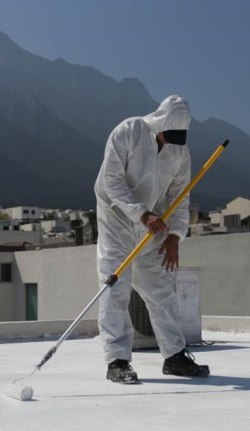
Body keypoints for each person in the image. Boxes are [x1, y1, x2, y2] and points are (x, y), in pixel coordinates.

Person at [93, 95, 209, 384]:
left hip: (153, 227)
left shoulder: (180, 152)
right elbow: (112, 182)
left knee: (161, 289)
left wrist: (175, 237)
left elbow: (180, 198)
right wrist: (140, 214)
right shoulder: (128, 131)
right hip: (117, 220)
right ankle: (117, 361)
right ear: (159, 123)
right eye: (168, 135)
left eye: (177, 137)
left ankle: (174, 357)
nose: (171, 141)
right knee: (115, 289)